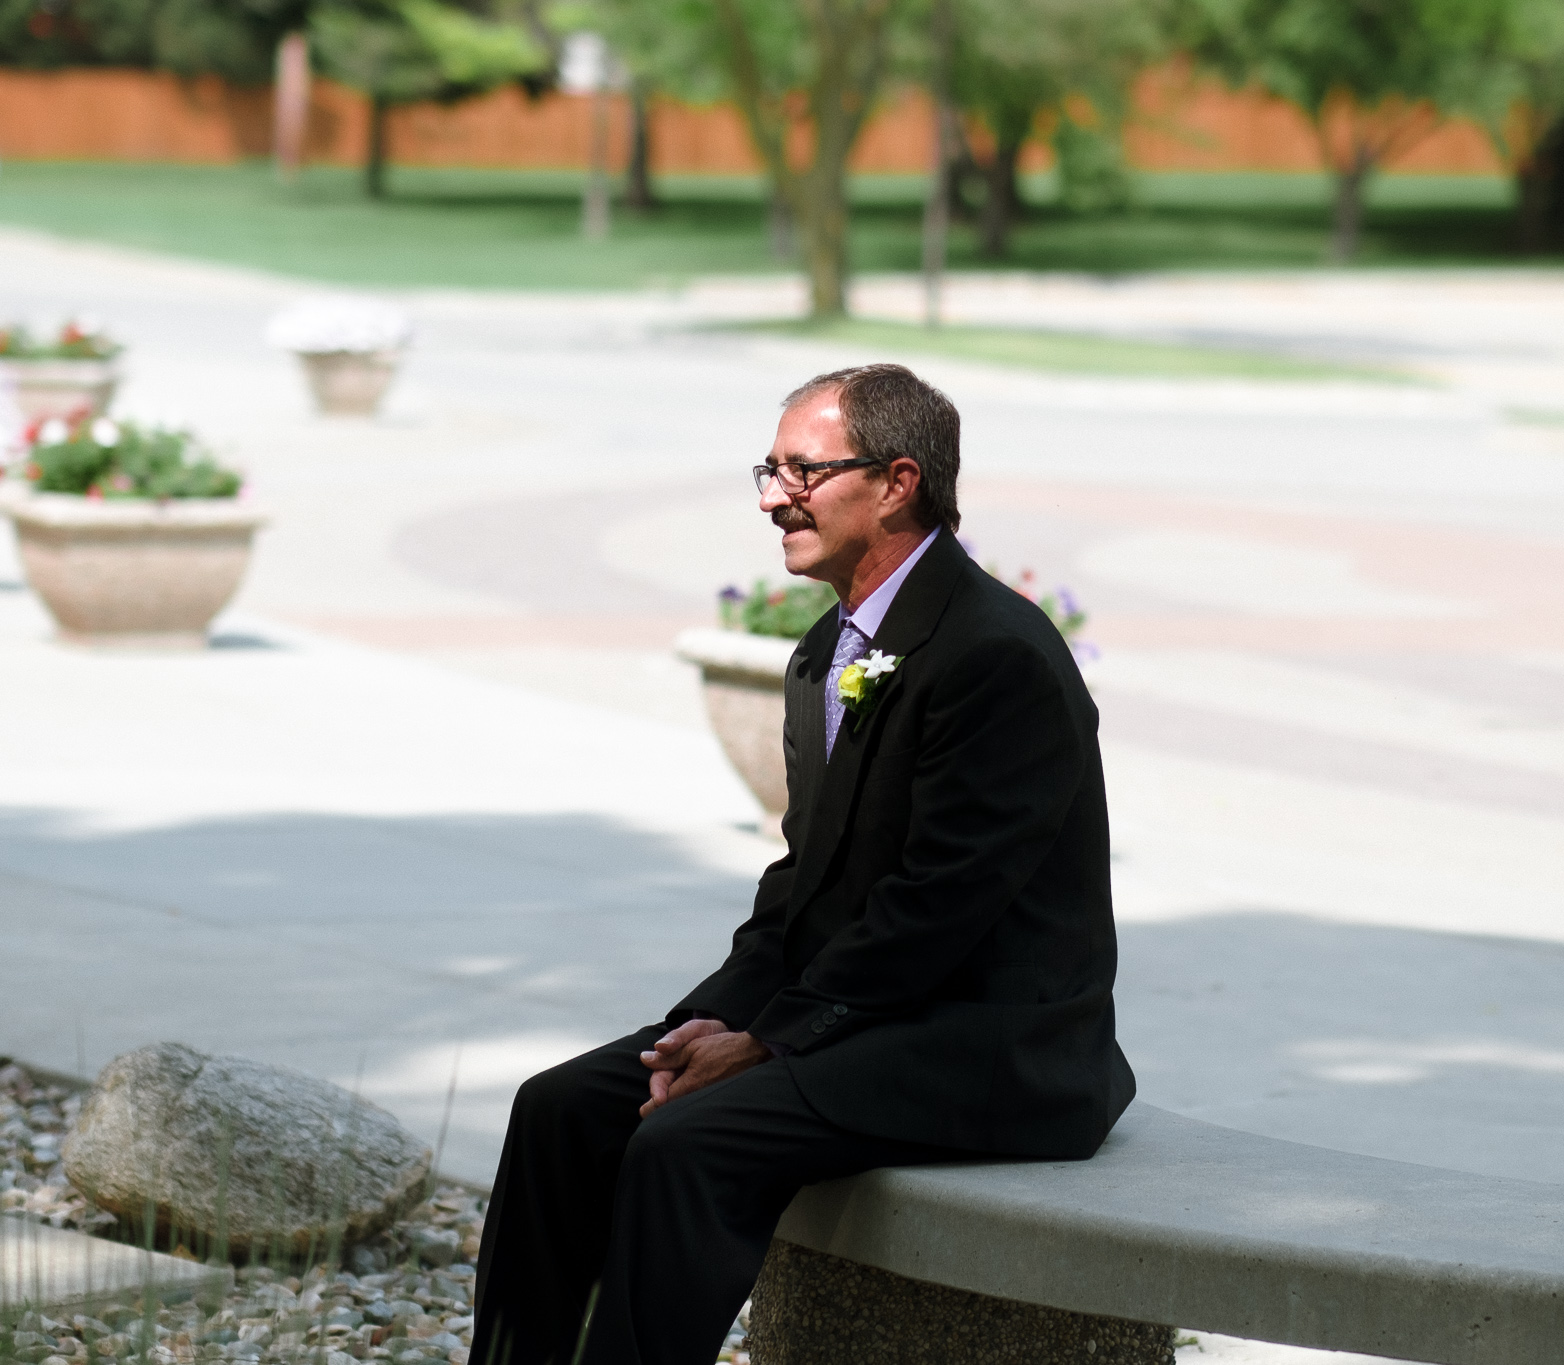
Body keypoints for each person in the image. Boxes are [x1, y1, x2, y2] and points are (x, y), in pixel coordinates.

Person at [472, 363, 1135, 1365]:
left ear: (898, 482)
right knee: (560, 1108)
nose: (772, 497)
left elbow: (938, 905)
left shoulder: (994, 655)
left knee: (685, 1142)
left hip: (989, 1045)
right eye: (769, 470)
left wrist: (767, 1043)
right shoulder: (828, 647)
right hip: (872, 1015)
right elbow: (801, 886)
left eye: (802, 471)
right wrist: (703, 1025)